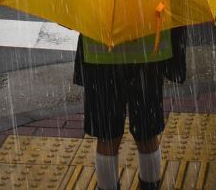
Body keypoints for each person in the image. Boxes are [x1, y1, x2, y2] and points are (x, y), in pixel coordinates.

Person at [74, 27, 187, 190]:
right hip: (148, 52)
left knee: (107, 136)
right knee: (147, 132)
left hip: (101, 53)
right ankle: (150, 185)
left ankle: (107, 187)